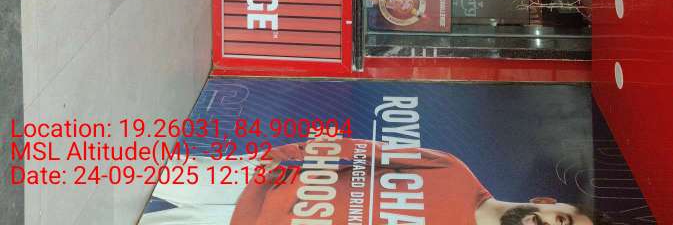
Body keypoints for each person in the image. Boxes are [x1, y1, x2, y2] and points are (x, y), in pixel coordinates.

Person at [138, 138, 613, 225]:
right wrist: (282, 158)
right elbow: (356, 151)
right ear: (548, 201)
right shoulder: (451, 169)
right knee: (115, 172)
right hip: (251, 182)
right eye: (563, 222)